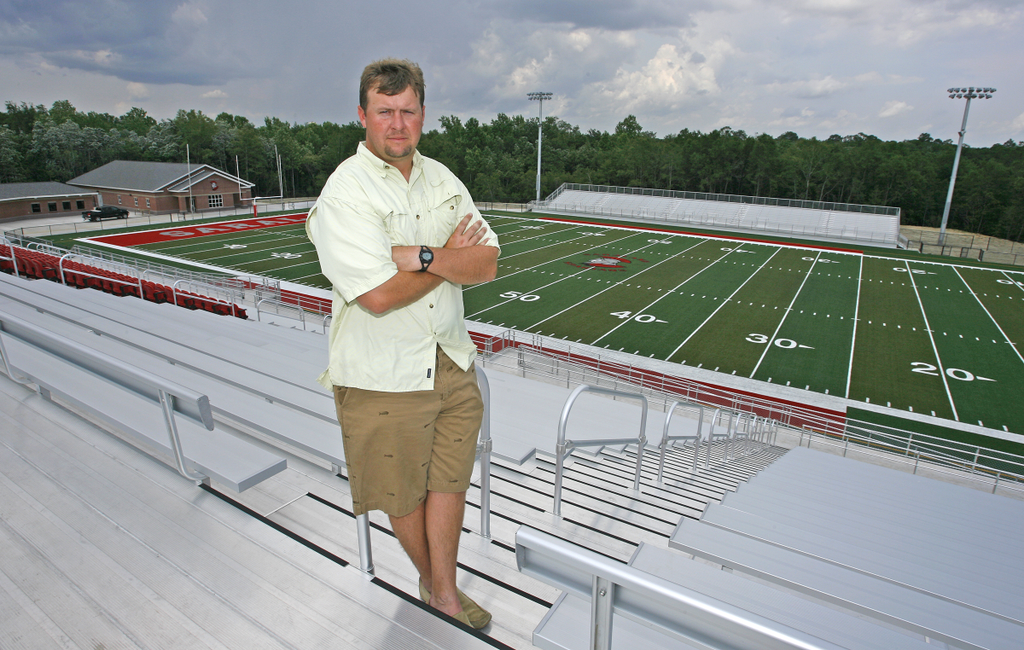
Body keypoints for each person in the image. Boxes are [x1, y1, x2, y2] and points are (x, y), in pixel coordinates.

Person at [305, 58, 499, 629]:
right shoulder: (346, 191)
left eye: (407, 111)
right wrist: (446, 257)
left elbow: (485, 262)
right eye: (384, 112)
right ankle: (442, 594)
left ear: (422, 115)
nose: (397, 124)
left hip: (451, 360)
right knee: (403, 494)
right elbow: (378, 298)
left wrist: (415, 255)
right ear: (362, 116)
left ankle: (440, 587)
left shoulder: (444, 180)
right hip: (382, 373)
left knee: (448, 483)